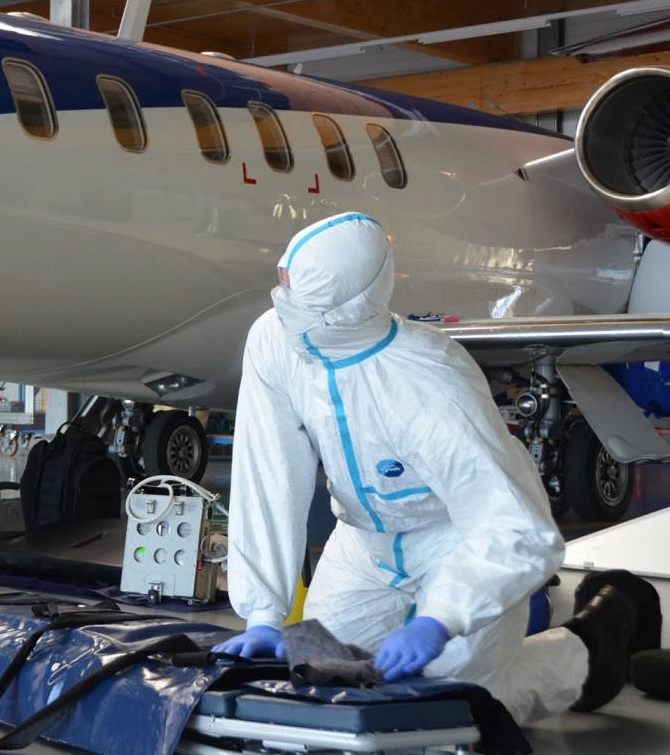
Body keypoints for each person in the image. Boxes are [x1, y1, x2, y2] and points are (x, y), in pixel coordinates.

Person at [218, 211, 660, 723]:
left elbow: (516, 526)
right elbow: (267, 473)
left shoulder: (432, 383)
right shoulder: (274, 339)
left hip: (454, 539)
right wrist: (264, 612)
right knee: (321, 678)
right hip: (364, 542)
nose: (287, 310)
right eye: (285, 289)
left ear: (354, 302)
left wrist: (441, 619)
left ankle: (597, 641)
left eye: (306, 301)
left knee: (456, 706)